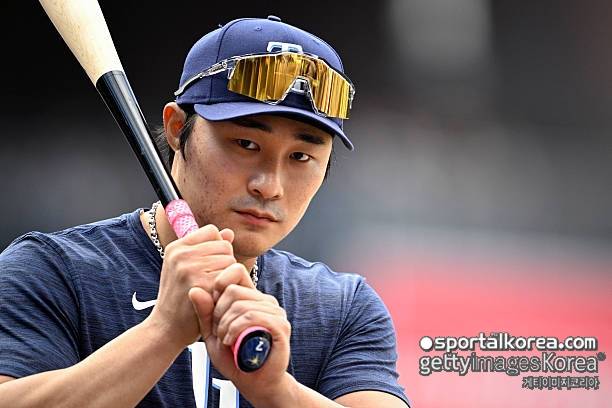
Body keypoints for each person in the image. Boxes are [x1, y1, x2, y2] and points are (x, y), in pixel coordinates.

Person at [0, 16, 409, 408]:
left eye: (301, 156)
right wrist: (163, 332)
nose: (269, 185)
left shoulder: (341, 308)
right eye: (246, 144)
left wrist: (275, 391)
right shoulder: (52, 272)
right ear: (177, 129)